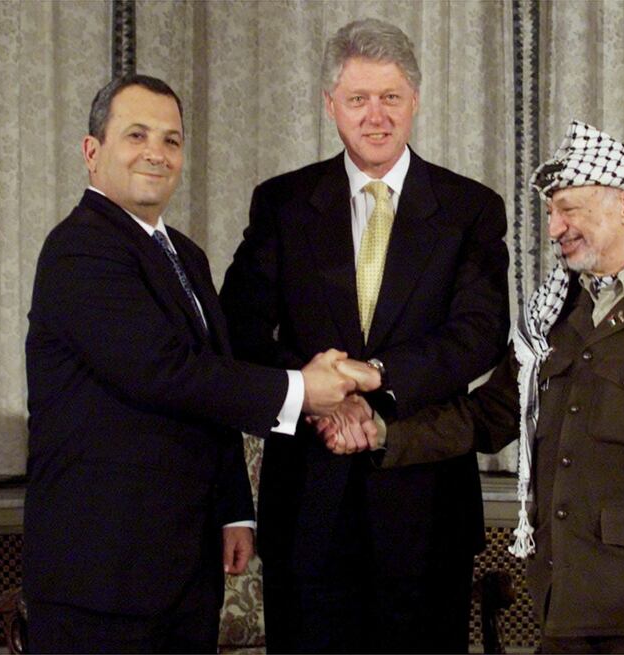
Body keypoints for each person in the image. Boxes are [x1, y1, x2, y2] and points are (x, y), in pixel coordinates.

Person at [320, 121, 624, 654]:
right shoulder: (554, 314)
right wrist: (381, 433)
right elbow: (490, 415)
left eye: (569, 209)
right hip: (565, 606)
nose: (555, 227)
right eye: (551, 212)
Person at [23, 74, 370, 654]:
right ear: (92, 151)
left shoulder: (183, 253)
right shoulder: (78, 248)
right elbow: (164, 372)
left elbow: (212, 380)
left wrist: (235, 508)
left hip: (185, 564)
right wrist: (302, 390)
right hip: (100, 573)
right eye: (136, 135)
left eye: (171, 140)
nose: (156, 153)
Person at [219, 18, 510, 654]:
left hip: (427, 508)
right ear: (330, 105)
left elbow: (481, 332)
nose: (375, 116)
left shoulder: (471, 209)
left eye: (390, 98)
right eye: (358, 99)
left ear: (416, 100)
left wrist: (375, 375)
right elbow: (236, 326)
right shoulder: (283, 203)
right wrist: (317, 394)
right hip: (308, 505)